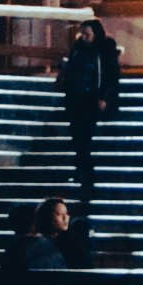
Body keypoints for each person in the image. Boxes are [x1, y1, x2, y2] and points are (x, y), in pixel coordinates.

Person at [59, 14, 125, 187]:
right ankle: (83, 171)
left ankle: (85, 172)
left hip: (92, 98)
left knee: (84, 137)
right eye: (83, 34)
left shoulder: (105, 47)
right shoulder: (78, 47)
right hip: (76, 98)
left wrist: (105, 97)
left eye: (87, 34)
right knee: (78, 137)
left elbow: (112, 75)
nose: (85, 37)